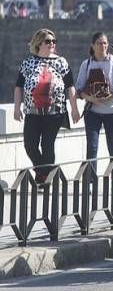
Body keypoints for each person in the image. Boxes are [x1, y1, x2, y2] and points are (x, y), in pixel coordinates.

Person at [13, 29, 80, 185]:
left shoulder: (61, 62)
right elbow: (18, 87)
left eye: (53, 41)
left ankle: (44, 179)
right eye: (48, 41)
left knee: (47, 144)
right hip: (32, 112)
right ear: (38, 43)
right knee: (30, 145)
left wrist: (74, 109)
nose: (52, 44)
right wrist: (17, 108)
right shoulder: (28, 62)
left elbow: (70, 87)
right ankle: (45, 173)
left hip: (55, 113)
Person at [76, 32, 113, 171]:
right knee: (92, 148)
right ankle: (90, 182)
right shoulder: (86, 64)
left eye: (104, 43)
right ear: (92, 45)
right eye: (99, 43)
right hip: (93, 112)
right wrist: (90, 98)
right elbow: (79, 87)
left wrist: (111, 96)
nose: (102, 46)